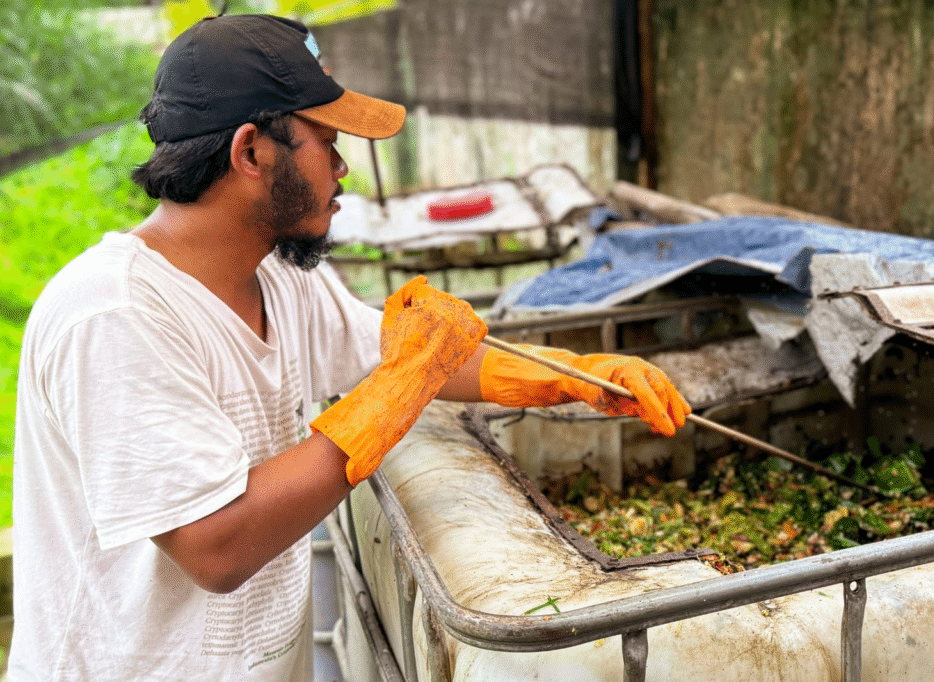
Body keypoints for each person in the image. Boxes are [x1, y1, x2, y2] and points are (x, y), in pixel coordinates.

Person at [9, 13, 690, 681]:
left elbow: (398, 353)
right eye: (327, 142)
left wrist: (574, 375)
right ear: (251, 151)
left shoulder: (275, 272)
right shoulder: (114, 314)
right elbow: (215, 545)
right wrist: (401, 387)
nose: (342, 170)